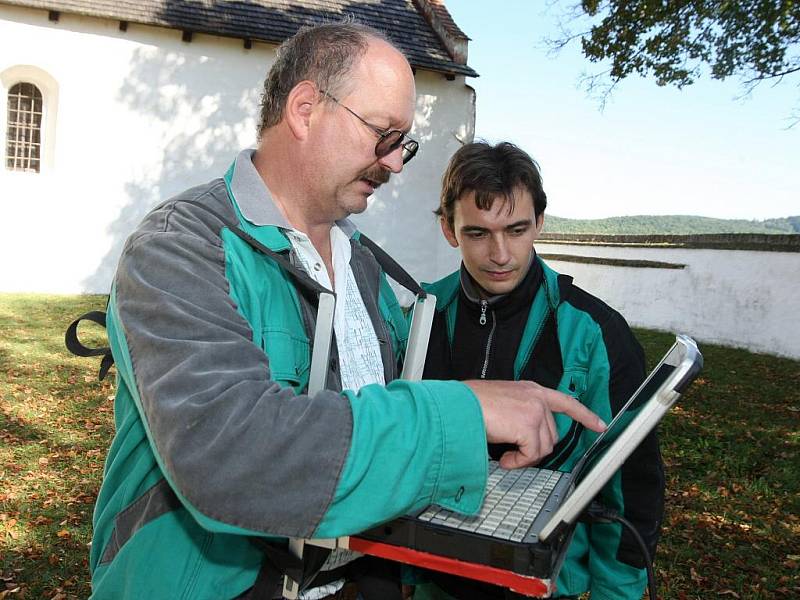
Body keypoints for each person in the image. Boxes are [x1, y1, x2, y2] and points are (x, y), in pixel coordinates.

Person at [87, 23, 606, 600]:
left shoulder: (366, 266)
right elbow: (229, 456)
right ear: (306, 109)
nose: (396, 164)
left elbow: (371, 425)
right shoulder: (179, 246)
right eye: (385, 135)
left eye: (402, 143)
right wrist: (460, 412)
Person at [413, 141, 665, 600]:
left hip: (542, 586)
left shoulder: (597, 333)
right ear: (448, 229)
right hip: (435, 578)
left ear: (540, 223)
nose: (501, 254)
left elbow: (630, 484)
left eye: (516, 229)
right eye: (478, 233)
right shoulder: (418, 317)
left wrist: (617, 594)